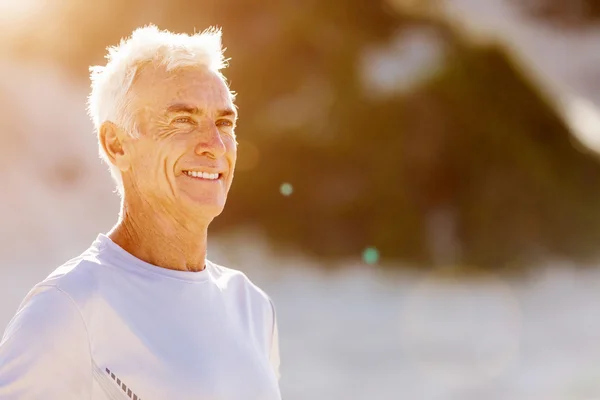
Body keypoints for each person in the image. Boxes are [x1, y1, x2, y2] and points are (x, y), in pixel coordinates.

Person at [0, 25, 281, 400]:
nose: (215, 145)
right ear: (116, 145)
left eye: (224, 123)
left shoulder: (251, 306)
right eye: (183, 120)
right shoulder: (68, 309)